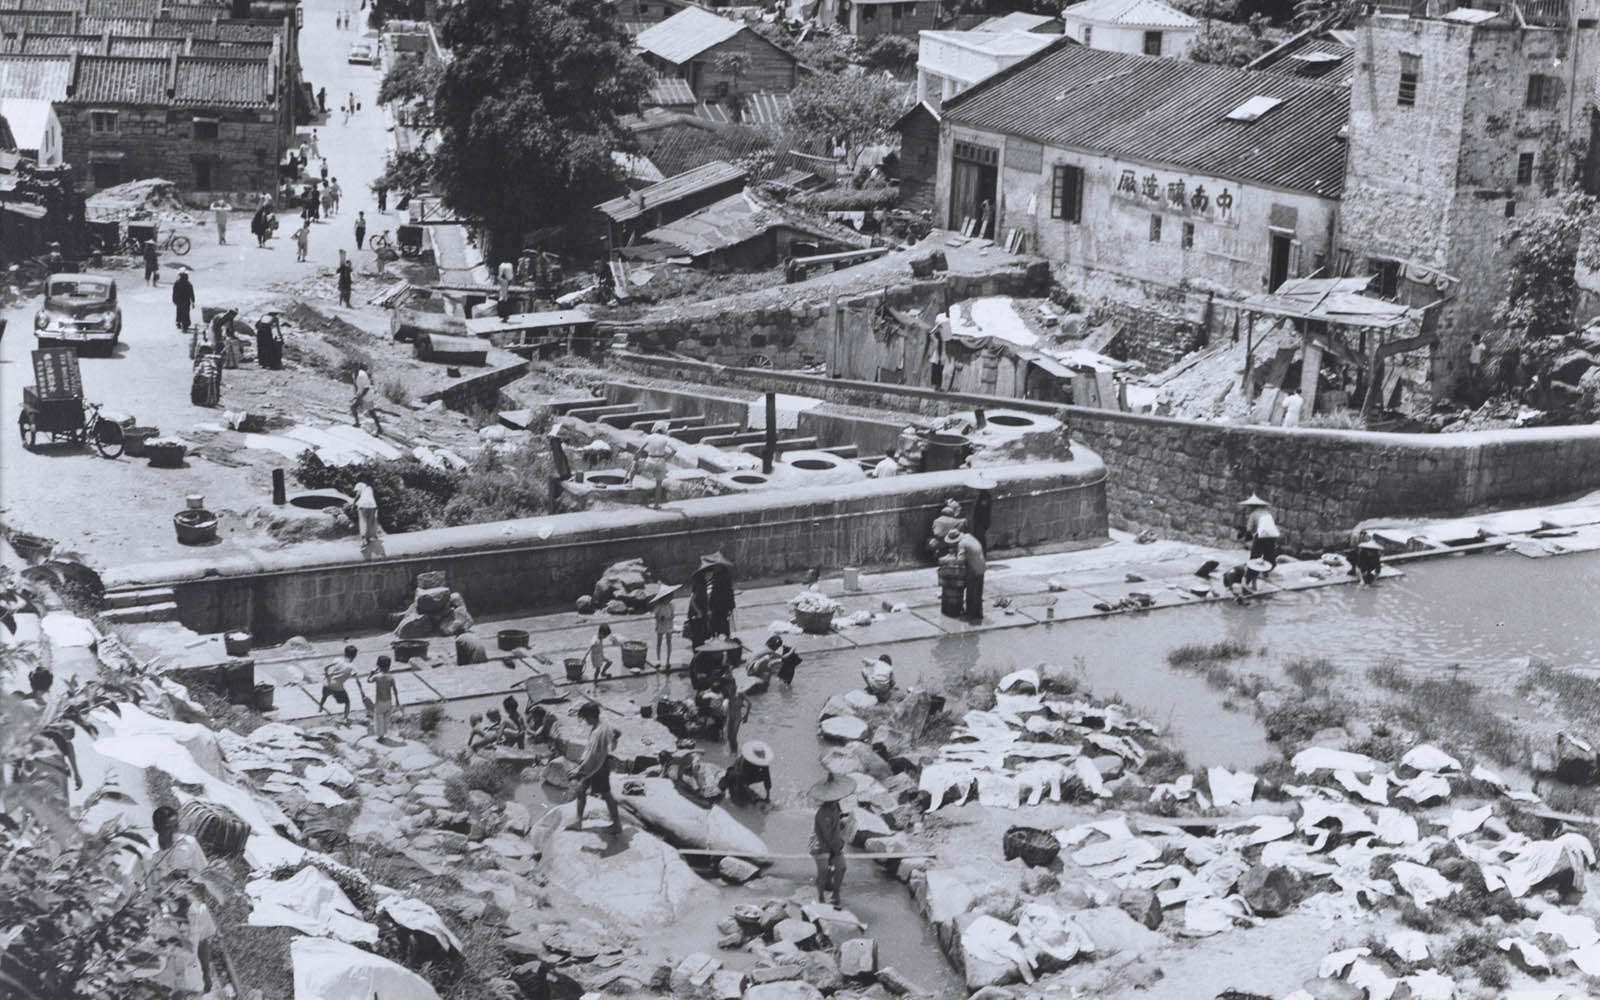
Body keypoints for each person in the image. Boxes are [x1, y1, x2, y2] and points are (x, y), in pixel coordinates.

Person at [142, 806, 217, 997]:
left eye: (176, 826)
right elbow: (133, 884)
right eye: (168, 827)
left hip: (189, 905)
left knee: (199, 941)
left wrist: (207, 975)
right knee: (163, 969)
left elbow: (203, 876)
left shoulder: (189, 845)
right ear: (156, 828)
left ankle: (194, 981)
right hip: (161, 912)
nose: (174, 832)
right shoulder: (147, 853)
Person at [568, 701, 621, 835]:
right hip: (599, 764)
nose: (585, 721)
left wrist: (579, 770)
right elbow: (617, 732)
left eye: (586, 718)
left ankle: (617, 825)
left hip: (597, 767)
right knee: (581, 790)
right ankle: (578, 821)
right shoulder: (603, 723)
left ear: (592, 716)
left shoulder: (598, 732)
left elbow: (592, 756)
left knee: (606, 795)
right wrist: (615, 739)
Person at [809, 773, 854, 905]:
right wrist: (837, 848)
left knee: (842, 867)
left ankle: (835, 894)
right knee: (823, 872)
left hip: (833, 842)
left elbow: (835, 829)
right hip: (820, 844)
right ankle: (821, 897)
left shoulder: (836, 807)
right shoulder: (823, 814)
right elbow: (827, 836)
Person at [634, 420, 676, 508]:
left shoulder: (649, 437)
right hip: (661, 461)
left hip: (650, 460)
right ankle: (656, 504)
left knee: (636, 465)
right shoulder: (666, 438)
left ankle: (629, 482)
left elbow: (639, 450)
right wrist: (667, 459)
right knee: (659, 484)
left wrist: (636, 458)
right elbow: (674, 450)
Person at [317, 644, 362, 722]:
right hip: (338, 687)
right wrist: (361, 690)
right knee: (347, 702)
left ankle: (320, 707)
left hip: (327, 683)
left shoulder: (337, 660)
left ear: (344, 653)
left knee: (324, 696)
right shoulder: (352, 667)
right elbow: (357, 680)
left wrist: (327, 674)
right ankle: (345, 718)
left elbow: (326, 667)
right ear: (355, 656)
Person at [720, 740, 773, 805]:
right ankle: (723, 789)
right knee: (740, 802)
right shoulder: (745, 761)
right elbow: (740, 777)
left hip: (750, 775)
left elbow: (767, 778)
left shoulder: (763, 763)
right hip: (735, 775)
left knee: (746, 796)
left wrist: (768, 797)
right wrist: (751, 797)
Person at [950, 528, 986, 621]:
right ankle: (979, 613)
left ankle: (970, 614)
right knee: (978, 592)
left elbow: (960, 560)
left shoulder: (962, 543)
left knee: (971, 592)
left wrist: (953, 561)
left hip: (973, 569)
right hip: (982, 566)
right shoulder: (970, 537)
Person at [1239, 495, 1280, 564]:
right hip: (1273, 534)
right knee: (1269, 554)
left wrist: (1245, 537)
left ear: (1252, 506)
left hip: (1262, 534)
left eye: (1248, 506)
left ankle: (1252, 570)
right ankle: (1268, 568)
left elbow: (1249, 529)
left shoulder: (1253, 514)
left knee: (1255, 554)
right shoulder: (1267, 512)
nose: (1247, 508)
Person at [369, 655, 400, 740]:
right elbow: (395, 690)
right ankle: (384, 732)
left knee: (379, 717)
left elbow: (368, 681)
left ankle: (380, 735)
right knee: (386, 717)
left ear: (378, 666)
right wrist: (397, 700)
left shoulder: (377, 677)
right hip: (389, 701)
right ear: (389, 666)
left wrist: (372, 673)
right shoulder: (391, 677)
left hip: (379, 701)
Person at [651, 583, 678, 667]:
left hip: (669, 625)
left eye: (669, 597)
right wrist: (660, 618)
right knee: (659, 642)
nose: (668, 599)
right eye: (667, 597)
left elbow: (673, 615)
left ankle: (668, 660)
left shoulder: (671, 606)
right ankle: (658, 659)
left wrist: (670, 618)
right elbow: (655, 616)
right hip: (660, 625)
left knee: (669, 643)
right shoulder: (659, 606)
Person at [350, 365, 382, 434]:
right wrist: (356, 395)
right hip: (360, 394)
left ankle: (379, 428)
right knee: (353, 407)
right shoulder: (353, 375)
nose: (353, 369)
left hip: (367, 396)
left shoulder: (363, 375)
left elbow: (366, 388)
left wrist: (361, 397)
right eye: (352, 367)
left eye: (355, 367)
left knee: (371, 412)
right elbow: (356, 385)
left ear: (358, 368)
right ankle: (357, 423)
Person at [722, 676, 748, 755]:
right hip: (730, 717)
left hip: (737, 717)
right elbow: (725, 706)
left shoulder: (740, 693)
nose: (728, 688)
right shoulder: (727, 694)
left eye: (730, 686)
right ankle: (732, 751)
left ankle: (735, 752)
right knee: (729, 737)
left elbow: (749, 703)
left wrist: (746, 716)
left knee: (733, 736)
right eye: (727, 686)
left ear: (734, 685)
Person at [353, 480, 379, 545]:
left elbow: (358, 494)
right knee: (370, 522)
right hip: (372, 505)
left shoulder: (360, 484)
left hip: (363, 505)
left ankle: (364, 539)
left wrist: (353, 504)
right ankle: (369, 537)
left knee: (363, 521)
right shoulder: (370, 488)